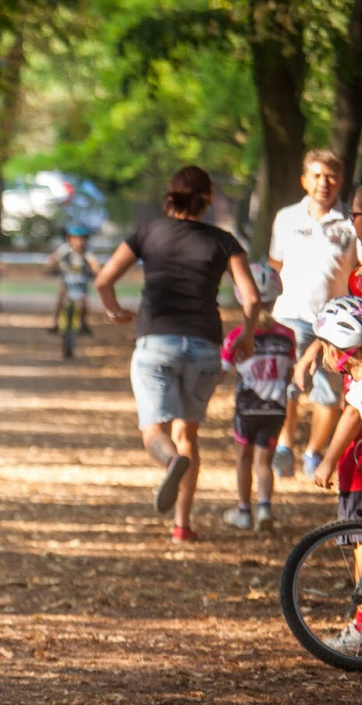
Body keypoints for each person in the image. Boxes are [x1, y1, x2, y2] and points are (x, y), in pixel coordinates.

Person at [94, 164, 261, 544]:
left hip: (156, 344)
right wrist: (247, 335)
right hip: (205, 348)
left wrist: (114, 311)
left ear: (171, 195)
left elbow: (104, 280)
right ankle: (182, 525)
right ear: (208, 198)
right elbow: (251, 297)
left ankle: (170, 461)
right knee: (189, 433)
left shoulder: (149, 232)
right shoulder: (223, 241)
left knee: (155, 430)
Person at [270, 150, 358, 479]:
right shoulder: (286, 218)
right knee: (288, 386)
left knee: (329, 392)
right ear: (304, 180)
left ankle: (313, 451)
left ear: (341, 181)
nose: (325, 183)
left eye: (331, 176)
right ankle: (284, 445)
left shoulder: (351, 222)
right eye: (318, 176)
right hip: (290, 315)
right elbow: (274, 266)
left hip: (337, 325)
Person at [219, 263, 296, 532]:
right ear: (275, 300)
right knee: (264, 461)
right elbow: (289, 373)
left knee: (244, 458)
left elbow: (221, 372)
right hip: (276, 408)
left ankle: (243, 511)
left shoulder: (236, 337)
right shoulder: (288, 336)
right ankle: (265, 508)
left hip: (247, 408)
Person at [305, 298, 362, 651]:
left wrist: (327, 461)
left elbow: (353, 415)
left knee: (360, 548)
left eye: (326, 345)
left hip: (359, 477)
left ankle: (361, 628)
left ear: (341, 350)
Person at [46, 225, 99, 334]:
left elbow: (94, 264)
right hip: (67, 278)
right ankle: (55, 323)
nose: (79, 242)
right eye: (76, 238)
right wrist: (49, 268)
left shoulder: (87, 251)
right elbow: (53, 259)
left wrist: (97, 273)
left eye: (82, 239)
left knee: (84, 302)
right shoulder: (65, 249)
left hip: (82, 279)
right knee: (60, 299)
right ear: (69, 239)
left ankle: (83, 323)